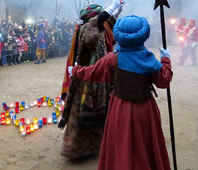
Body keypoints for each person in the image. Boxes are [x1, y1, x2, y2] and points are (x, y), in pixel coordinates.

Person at [70, 15, 172, 170]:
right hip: (145, 110)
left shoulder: (112, 59)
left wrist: (75, 70)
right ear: (143, 35)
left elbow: (92, 72)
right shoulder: (150, 59)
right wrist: (165, 60)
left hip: (120, 109)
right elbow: (164, 80)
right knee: (144, 145)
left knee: (122, 144)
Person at [58, 0, 124, 160]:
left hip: (99, 81)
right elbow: (96, 26)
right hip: (85, 81)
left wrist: (116, 12)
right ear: (90, 18)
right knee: (82, 116)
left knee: (100, 115)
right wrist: (110, 8)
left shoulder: (98, 29)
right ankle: (76, 151)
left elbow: (106, 26)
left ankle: (95, 147)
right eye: (99, 15)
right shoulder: (85, 29)